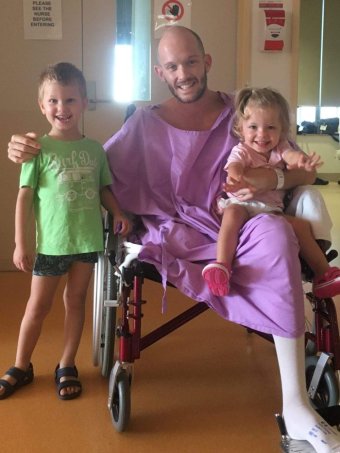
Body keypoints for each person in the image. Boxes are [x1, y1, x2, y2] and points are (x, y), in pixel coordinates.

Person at [7, 27, 340, 452]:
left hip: (240, 217)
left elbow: (302, 171)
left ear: (207, 61)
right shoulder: (145, 123)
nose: (183, 73)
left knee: (276, 232)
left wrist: (268, 177)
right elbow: (89, 163)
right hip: (176, 228)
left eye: (191, 62)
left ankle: (296, 407)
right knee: (263, 236)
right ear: (159, 71)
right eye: (172, 66)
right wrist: (32, 147)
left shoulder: (244, 112)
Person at [1, 62, 130, 401]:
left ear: (84, 102)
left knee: (75, 302)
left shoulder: (95, 150)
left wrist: (117, 211)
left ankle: (66, 363)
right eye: (54, 101)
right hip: (51, 247)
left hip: (86, 243)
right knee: (37, 307)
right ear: (42, 106)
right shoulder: (37, 151)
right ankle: (21, 365)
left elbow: (103, 188)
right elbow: (24, 198)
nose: (62, 108)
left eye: (70, 100)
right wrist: (20, 243)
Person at [202, 87, 340, 298]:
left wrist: (302, 161)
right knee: (231, 215)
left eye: (271, 127)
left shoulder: (280, 149)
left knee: (300, 226)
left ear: (282, 130)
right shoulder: (242, 150)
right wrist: (236, 176)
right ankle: (222, 264)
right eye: (253, 127)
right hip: (243, 205)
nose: (262, 134)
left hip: (271, 211)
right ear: (241, 128)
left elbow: (291, 155)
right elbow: (234, 165)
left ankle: (322, 274)